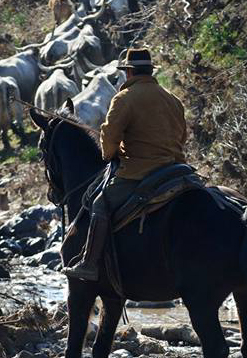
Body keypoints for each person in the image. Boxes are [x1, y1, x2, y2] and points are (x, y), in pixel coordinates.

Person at [63, 48, 188, 281]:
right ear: (151, 71)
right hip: (175, 169)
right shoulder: (173, 99)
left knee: (100, 203)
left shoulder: (123, 98)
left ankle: (89, 264)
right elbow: (182, 137)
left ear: (129, 72)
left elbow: (109, 142)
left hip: (139, 172)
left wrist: (112, 153)